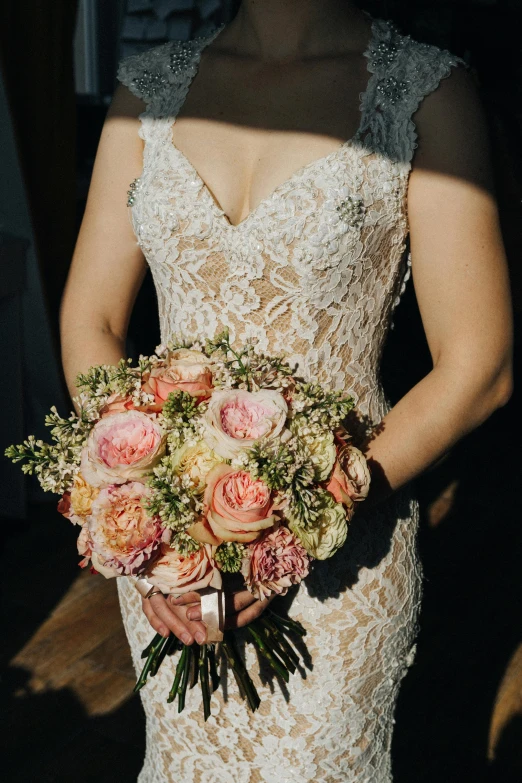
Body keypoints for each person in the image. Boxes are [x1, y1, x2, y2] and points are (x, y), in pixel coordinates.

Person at [60, 1, 513, 780]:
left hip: (344, 554)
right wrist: (151, 519)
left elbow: (481, 365)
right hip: (176, 574)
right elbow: (92, 318)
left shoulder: (426, 93)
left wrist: (290, 531)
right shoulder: (147, 92)